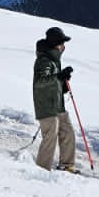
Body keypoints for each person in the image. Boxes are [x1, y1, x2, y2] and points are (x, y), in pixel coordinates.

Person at [31, 26, 77, 172]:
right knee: (51, 136)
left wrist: (63, 84)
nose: (64, 47)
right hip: (46, 106)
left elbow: (53, 84)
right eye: (62, 43)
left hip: (57, 104)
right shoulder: (44, 60)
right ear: (55, 44)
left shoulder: (54, 60)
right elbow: (40, 82)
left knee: (68, 132)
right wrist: (58, 77)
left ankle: (66, 165)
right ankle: (41, 169)